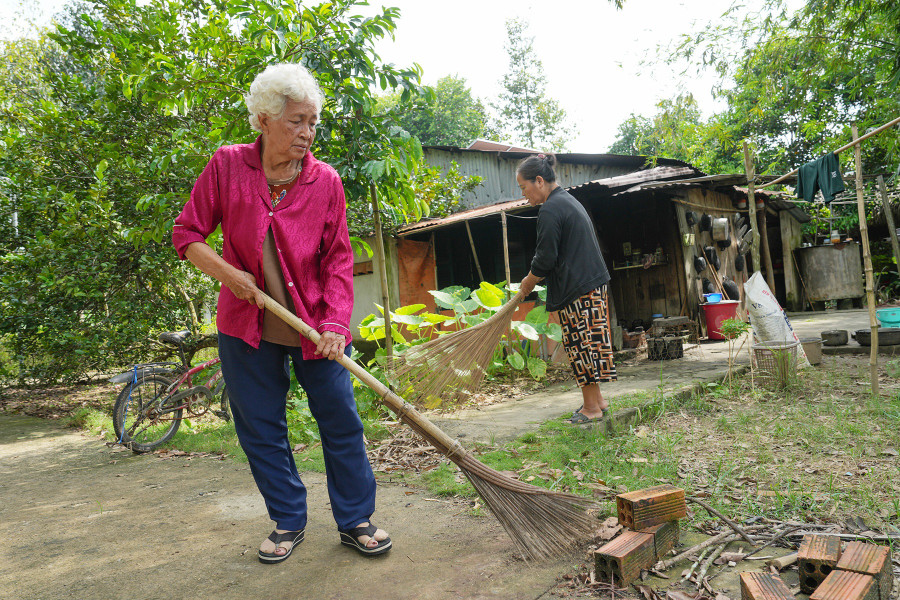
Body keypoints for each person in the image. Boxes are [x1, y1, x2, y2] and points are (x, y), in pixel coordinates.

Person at [172, 63, 390, 563]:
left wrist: (336, 325)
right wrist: (229, 274)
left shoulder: (324, 180)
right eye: (297, 121)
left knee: (340, 421)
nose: (307, 133)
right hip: (246, 327)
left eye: (313, 122)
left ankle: (355, 518)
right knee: (262, 428)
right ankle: (288, 520)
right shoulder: (228, 166)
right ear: (265, 119)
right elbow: (187, 235)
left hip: (315, 324)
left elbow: (338, 258)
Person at [516, 153, 617, 424]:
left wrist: (527, 282)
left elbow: (545, 257)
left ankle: (591, 408)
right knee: (591, 345)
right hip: (590, 284)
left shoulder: (551, 208)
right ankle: (597, 401)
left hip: (578, 289)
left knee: (581, 346)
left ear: (539, 180)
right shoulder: (568, 200)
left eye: (524, 187)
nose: (524, 195)